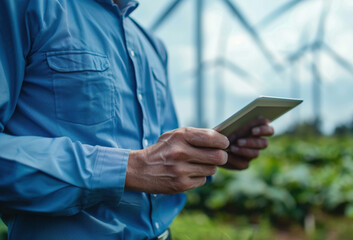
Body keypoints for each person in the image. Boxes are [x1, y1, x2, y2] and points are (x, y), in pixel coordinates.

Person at [0, 0, 274, 239]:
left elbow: (162, 154)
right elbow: (145, 164)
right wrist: (129, 169)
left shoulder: (152, 45)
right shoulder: (23, 6)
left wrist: (214, 152)